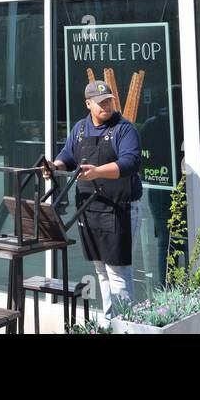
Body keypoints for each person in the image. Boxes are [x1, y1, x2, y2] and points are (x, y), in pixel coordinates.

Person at [47, 79, 143, 319]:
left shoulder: (124, 129)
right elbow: (68, 155)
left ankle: (124, 324)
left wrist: (98, 171)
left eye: (108, 100)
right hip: (89, 208)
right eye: (100, 102)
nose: (106, 106)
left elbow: (130, 162)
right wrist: (54, 165)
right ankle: (110, 320)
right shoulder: (80, 129)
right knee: (101, 268)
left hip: (120, 208)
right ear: (88, 104)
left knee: (118, 270)